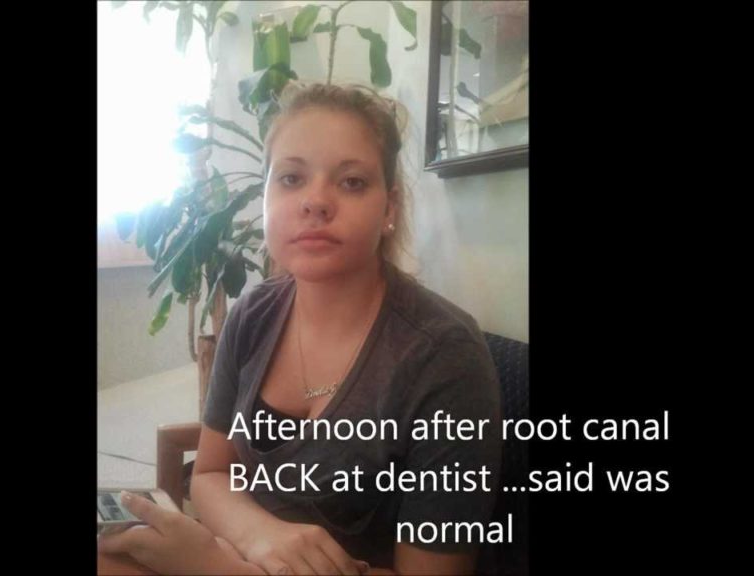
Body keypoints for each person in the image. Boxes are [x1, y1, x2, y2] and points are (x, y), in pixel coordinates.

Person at [100, 83, 502, 575]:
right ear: (267, 197)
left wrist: (218, 568)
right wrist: (260, 535)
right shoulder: (253, 314)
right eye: (291, 178)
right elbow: (210, 472)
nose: (315, 201)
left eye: (351, 182)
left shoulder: (443, 358)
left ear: (389, 209)